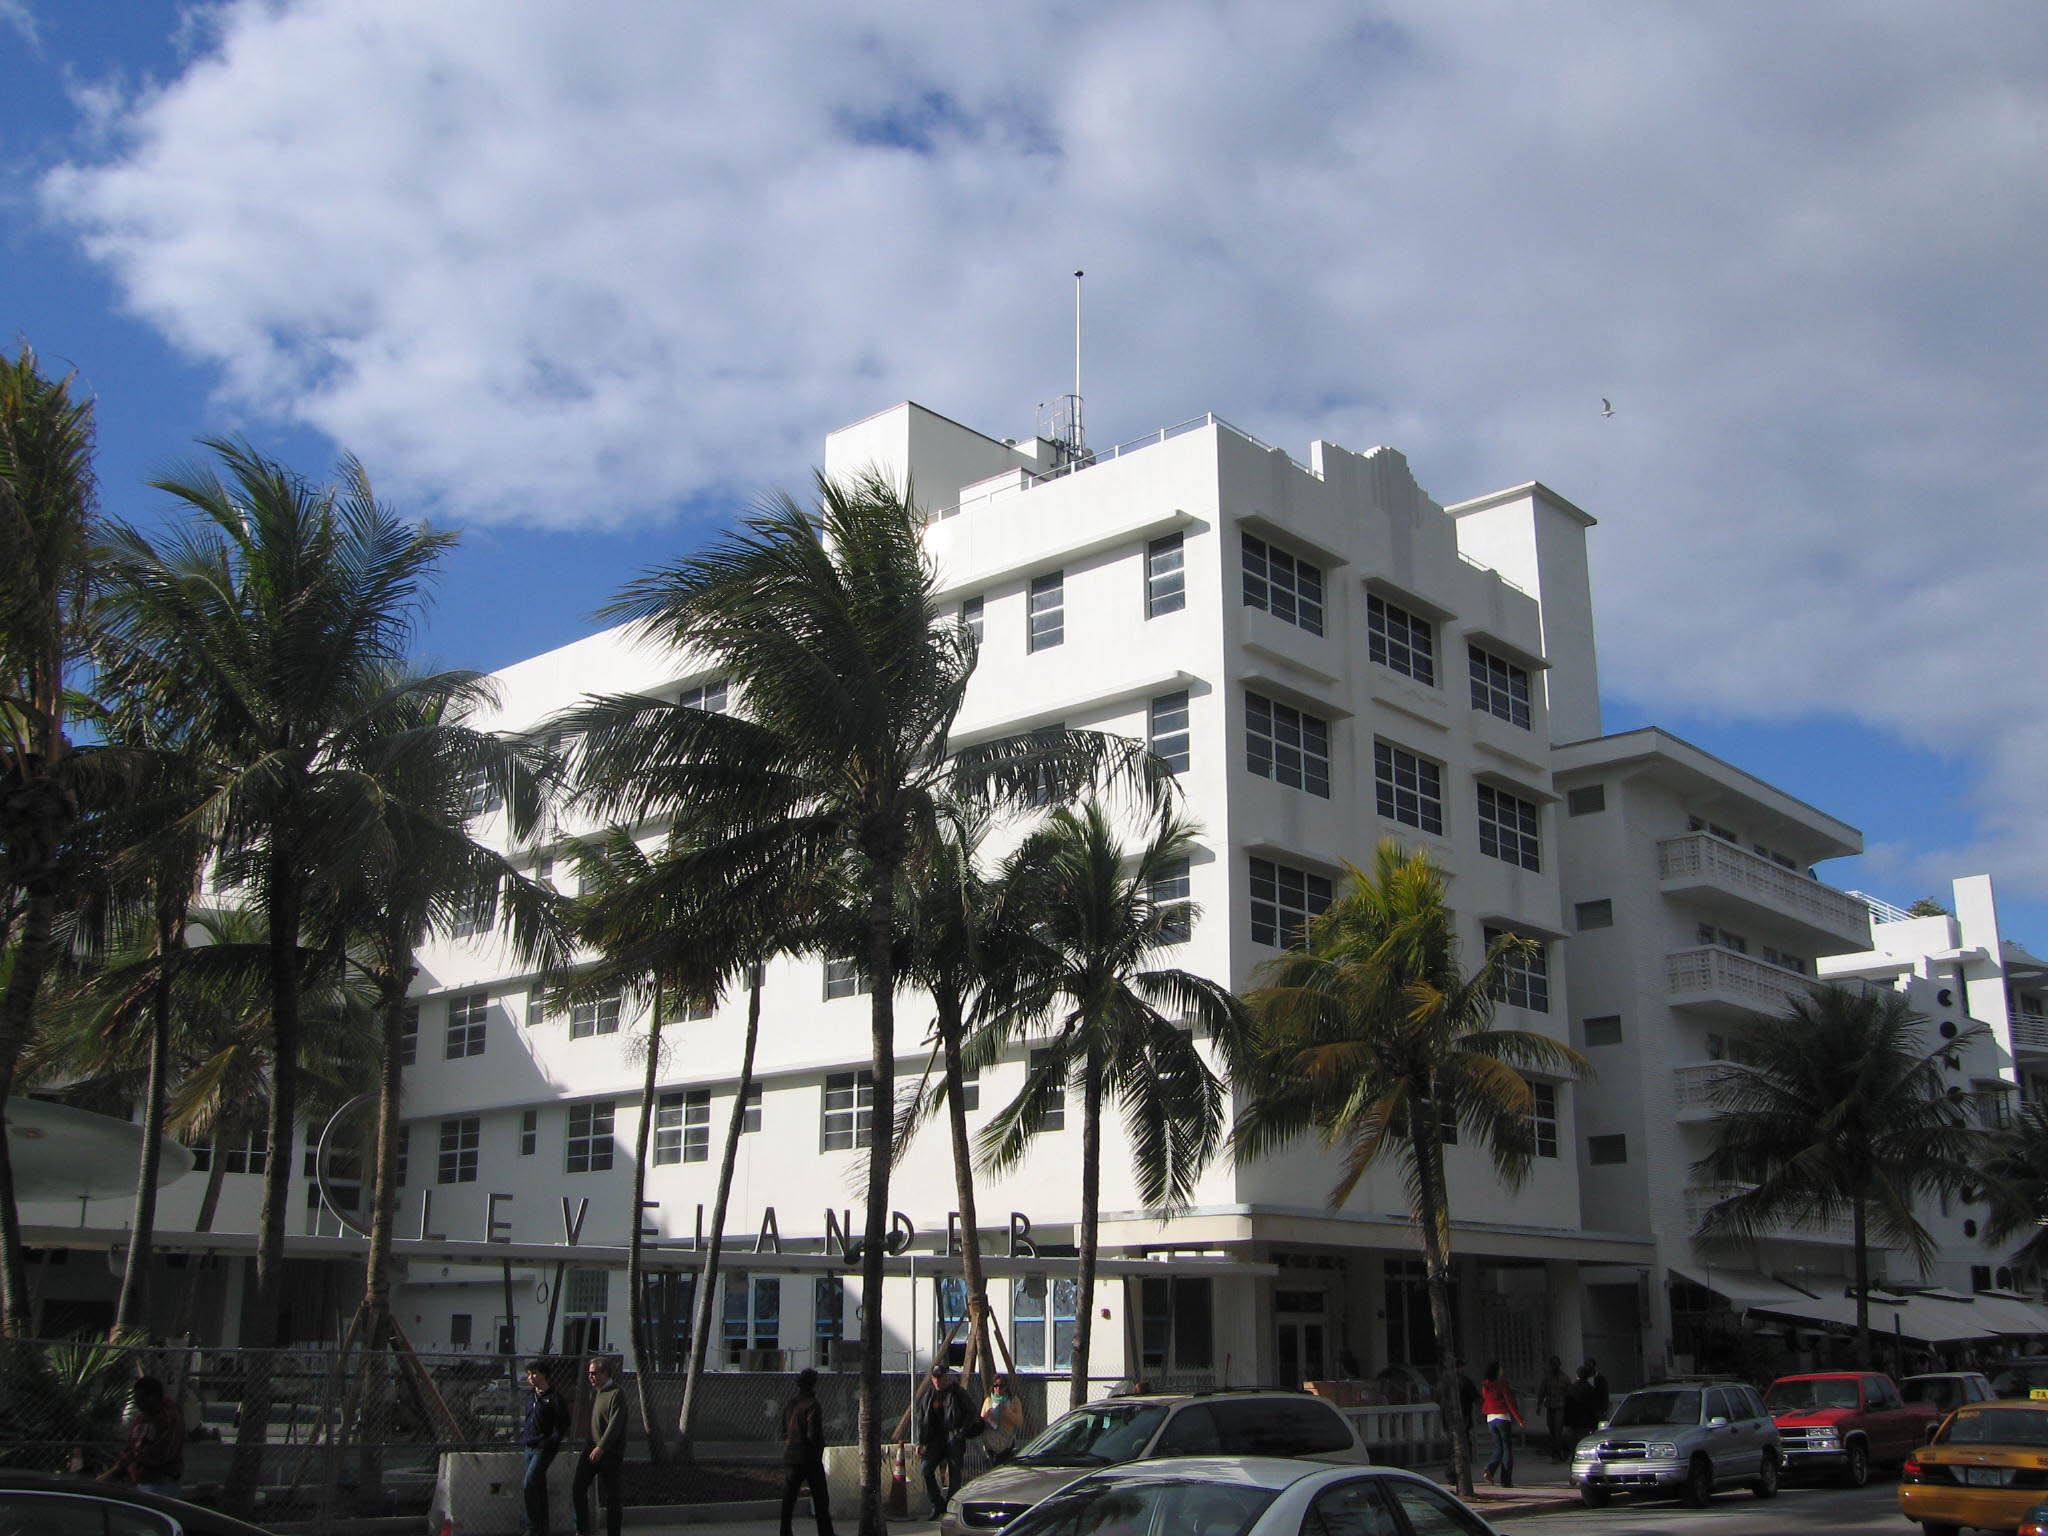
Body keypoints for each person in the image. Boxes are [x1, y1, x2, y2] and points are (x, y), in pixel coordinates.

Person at [572, 1356, 626, 1536]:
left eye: (594, 1373)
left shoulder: (616, 1393)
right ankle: (583, 1530)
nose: (590, 1377)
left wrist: (601, 1447)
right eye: (589, 1373)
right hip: (591, 1448)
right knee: (578, 1487)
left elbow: (615, 1425)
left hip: (609, 1453)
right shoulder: (595, 1393)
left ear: (605, 1373)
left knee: (612, 1497)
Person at [104, 1376, 184, 1497]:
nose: (137, 1404)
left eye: (140, 1400)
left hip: (159, 1483)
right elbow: (133, 1448)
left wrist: (123, 1466)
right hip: (143, 1481)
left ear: (153, 1398)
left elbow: (156, 1454)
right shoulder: (144, 1417)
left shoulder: (167, 1418)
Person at [913, 1361, 974, 1518]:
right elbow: (922, 1420)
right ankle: (937, 1504)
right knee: (926, 1469)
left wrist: (961, 1431)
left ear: (947, 1376)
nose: (937, 1381)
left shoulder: (957, 1393)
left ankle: (950, 1508)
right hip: (936, 1440)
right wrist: (921, 1442)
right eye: (935, 1378)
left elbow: (971, 1413)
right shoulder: (929, 1395)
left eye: (940, 1377)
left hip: (954, 1437)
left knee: (955, 1473)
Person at [779, 1368, 836, 1536]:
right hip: (809, 1457)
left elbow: (783, 1429)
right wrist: (818, 1450)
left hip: (791, 1454)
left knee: (789, 1498)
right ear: (813, 1384)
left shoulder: (791, 1403)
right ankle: (825, 1532)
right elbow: (814, 1434)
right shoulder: (813, 1405)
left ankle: (785, 1531)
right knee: (820, 1498)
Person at [519, 1359, 566, 1536]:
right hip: (529, 1445)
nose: (531, 1377)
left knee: (529, 1484)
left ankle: (532, 1527)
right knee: (538, 1486)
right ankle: (542, 1528)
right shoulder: (531, 1397)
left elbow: (562, 1424)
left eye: (535, 1373)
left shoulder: (553, 1398)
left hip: (544, 1448)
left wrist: (551, 1441)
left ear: (544, 1375)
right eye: (529, 1374)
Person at [1478, 1360, 1523, 1487]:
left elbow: (1486, 1400)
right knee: (1507, 1449)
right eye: (1501, 1368)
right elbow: (1509, 1402)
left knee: (1498, 1447)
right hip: (1502, 1417)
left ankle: (1490, 1469)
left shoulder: (1486, 1385)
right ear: (1497, 1371)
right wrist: (1519, 1419)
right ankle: (1506, 1480)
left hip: (1490, 1418)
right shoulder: (1502, 1384)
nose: (1503, 1370)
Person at [981, 1372, 1025, 1461]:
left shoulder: (1013, 1401)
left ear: (1006, 1387)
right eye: (995, 1386)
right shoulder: (988, 1400)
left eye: (1001, 1386)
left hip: (1006, 1441)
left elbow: (1019, 1422)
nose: (997, 1389)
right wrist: (987, 1417)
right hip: (991, 1439)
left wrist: (1008, 1412)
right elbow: (981, 1419)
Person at [1535, 1355, 1571, 1459]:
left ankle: (1558, 1453)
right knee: (1552, 1430)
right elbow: (1542, 1392)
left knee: (1558, 1430)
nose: (1554, 1366)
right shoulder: (1547, 1378)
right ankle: (1560, 1449)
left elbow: (1569, 1392)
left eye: (1556, 1364)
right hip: (1550, 1407)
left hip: (1560, 1407)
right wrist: (1539, 1405)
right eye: (1552, 1364)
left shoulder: (1564, 1378)